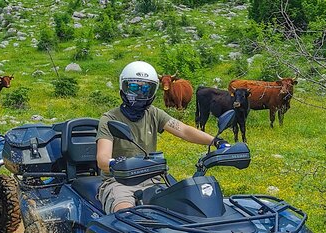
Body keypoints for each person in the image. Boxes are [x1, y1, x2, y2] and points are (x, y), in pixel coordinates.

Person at [96, 61, 229, 214]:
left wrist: (216, 141)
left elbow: (183, 130)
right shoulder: (109, 118)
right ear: (124, 86)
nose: (140, 93)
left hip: (152, 178)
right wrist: (117, 163)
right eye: (134, 87)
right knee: (125, 215)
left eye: (146, 88)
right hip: (119, 181)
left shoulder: (153, 113)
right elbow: (102, 158)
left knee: (185, 208)